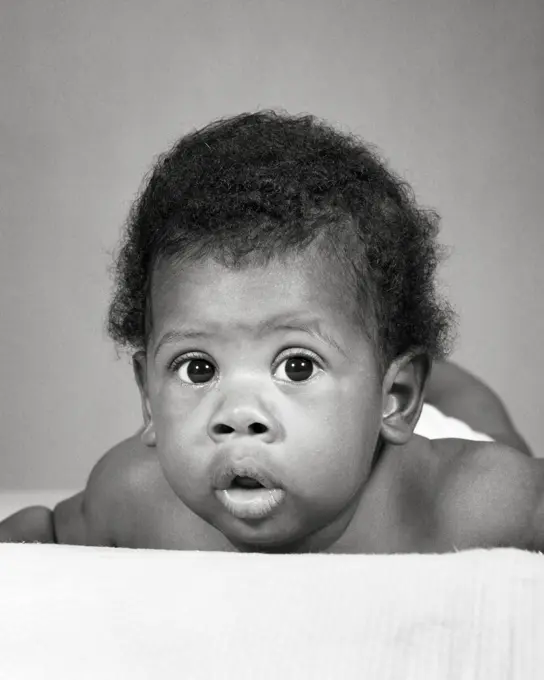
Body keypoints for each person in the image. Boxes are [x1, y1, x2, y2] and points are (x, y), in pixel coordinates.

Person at [0, 111, 539, 553]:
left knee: (478, 415)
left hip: (430, 441)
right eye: (198, 368)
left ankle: (411, 377)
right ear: (147, 397)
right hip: (359, 387)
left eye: (295, 366)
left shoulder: (464, 503)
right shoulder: (137, 495)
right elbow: (41, 531)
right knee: (353, 353)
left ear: (396, 399)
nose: (238, 415)